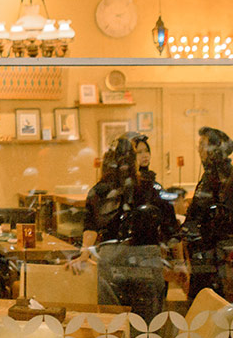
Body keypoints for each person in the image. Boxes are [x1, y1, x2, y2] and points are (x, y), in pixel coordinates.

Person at [73, 135, 182, 323]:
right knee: (147, 327)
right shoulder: (152, 188)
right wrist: (179, 262)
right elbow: (171, 229)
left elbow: (90, 227)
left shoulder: (99, 191)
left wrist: (84, 254)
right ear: (134, 161)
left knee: (112, 325)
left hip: (111, 260)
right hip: (146, 260)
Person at [182, 126, 233, 299]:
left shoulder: (224, 176)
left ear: (216, 149)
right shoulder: (212, 173)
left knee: (209, 299)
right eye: (199, 145)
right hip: (206, 249)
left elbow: (222, 216)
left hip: (213, 252)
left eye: (203, 145)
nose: (199, 149)